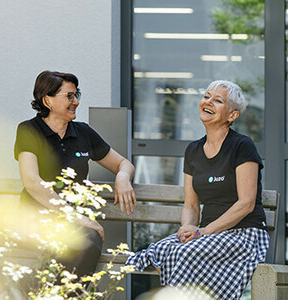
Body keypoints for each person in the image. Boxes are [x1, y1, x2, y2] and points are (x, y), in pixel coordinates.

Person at [126, 80, 269, 299]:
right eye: (206, 96)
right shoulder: (192, 150)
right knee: (162, 250)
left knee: (185, 253)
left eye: (218, 100)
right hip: (206, 235)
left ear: (232, 115)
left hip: (243, 234)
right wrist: (188, 228)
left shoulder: (242, 145)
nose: (208, 102)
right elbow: (191, 205)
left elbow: (246, 203)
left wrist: (204, 231)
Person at [14, 70, 136, 275]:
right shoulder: (29, 130)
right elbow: (32, 182)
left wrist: (123, 177)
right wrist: (75, 217)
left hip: (76, 226)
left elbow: (123, 163)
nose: (76, 102)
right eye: (69, 96)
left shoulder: (83, 132)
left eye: (76, 95)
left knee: (89, 241)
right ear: (47, 101)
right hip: (37, 220)